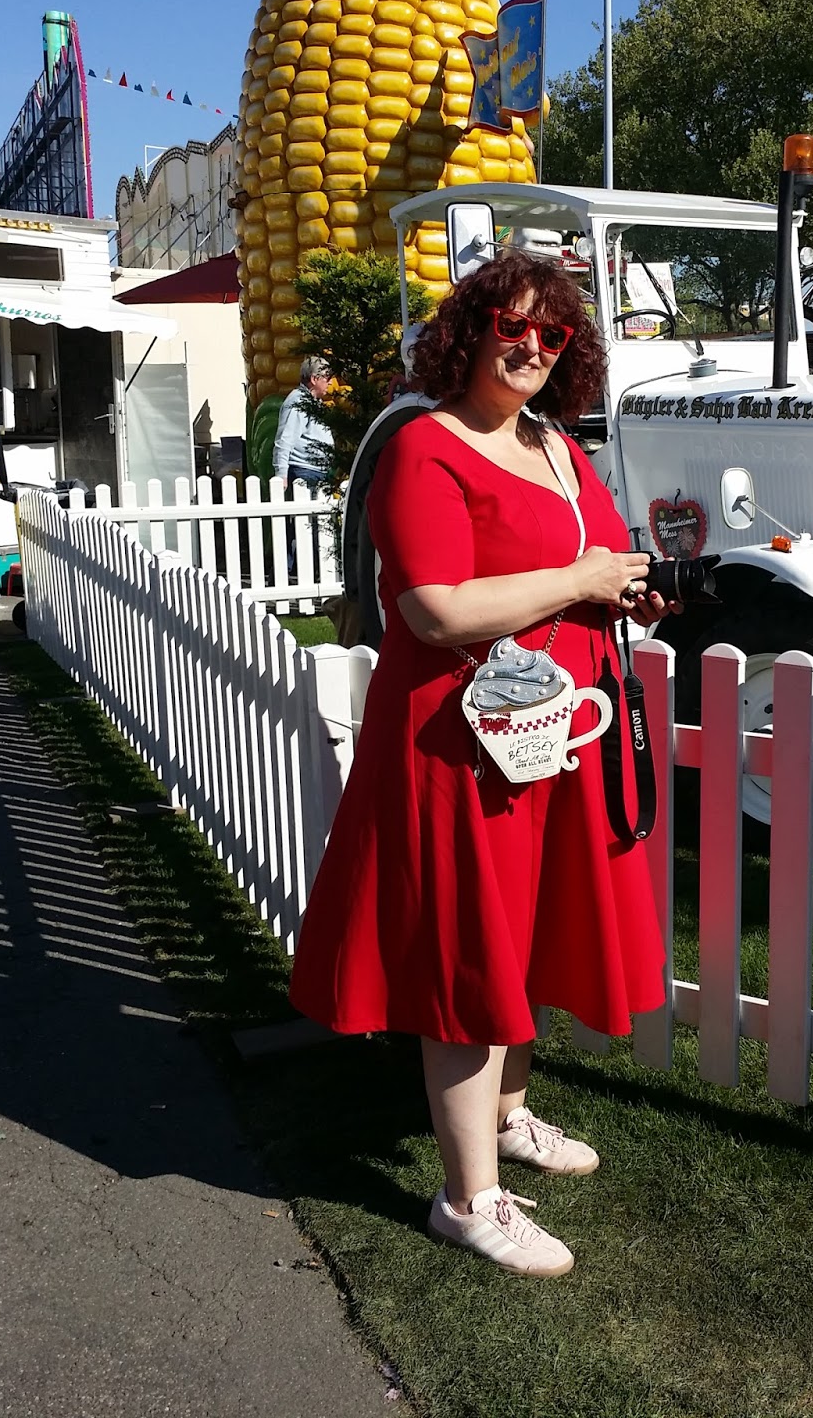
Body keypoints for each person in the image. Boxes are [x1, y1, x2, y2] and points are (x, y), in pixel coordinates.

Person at [288, 251, 670, 1278]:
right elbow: (436, 608)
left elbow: (594, 557)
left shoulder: (555, 444)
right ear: (471, 328)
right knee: (467, 950)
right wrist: (579, 577)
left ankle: (506, 1115)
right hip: (460, 740)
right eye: (513, 323)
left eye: (553, 334)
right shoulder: (426, 446)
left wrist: (620, 590)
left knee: (529, 929)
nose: (532, 346)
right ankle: (469, 1198)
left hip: (552, 732)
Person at [272, 354, 332, 578]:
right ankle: (286, 571)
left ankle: (297, 569)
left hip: (314, 470)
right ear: (314, 378)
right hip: (303, 470)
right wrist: (282, 472)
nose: (329, 382)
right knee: (303, 524)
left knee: (309, 524)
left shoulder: (311, 402)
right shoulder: (297, 402)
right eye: (326, 377)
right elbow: (285, 438)